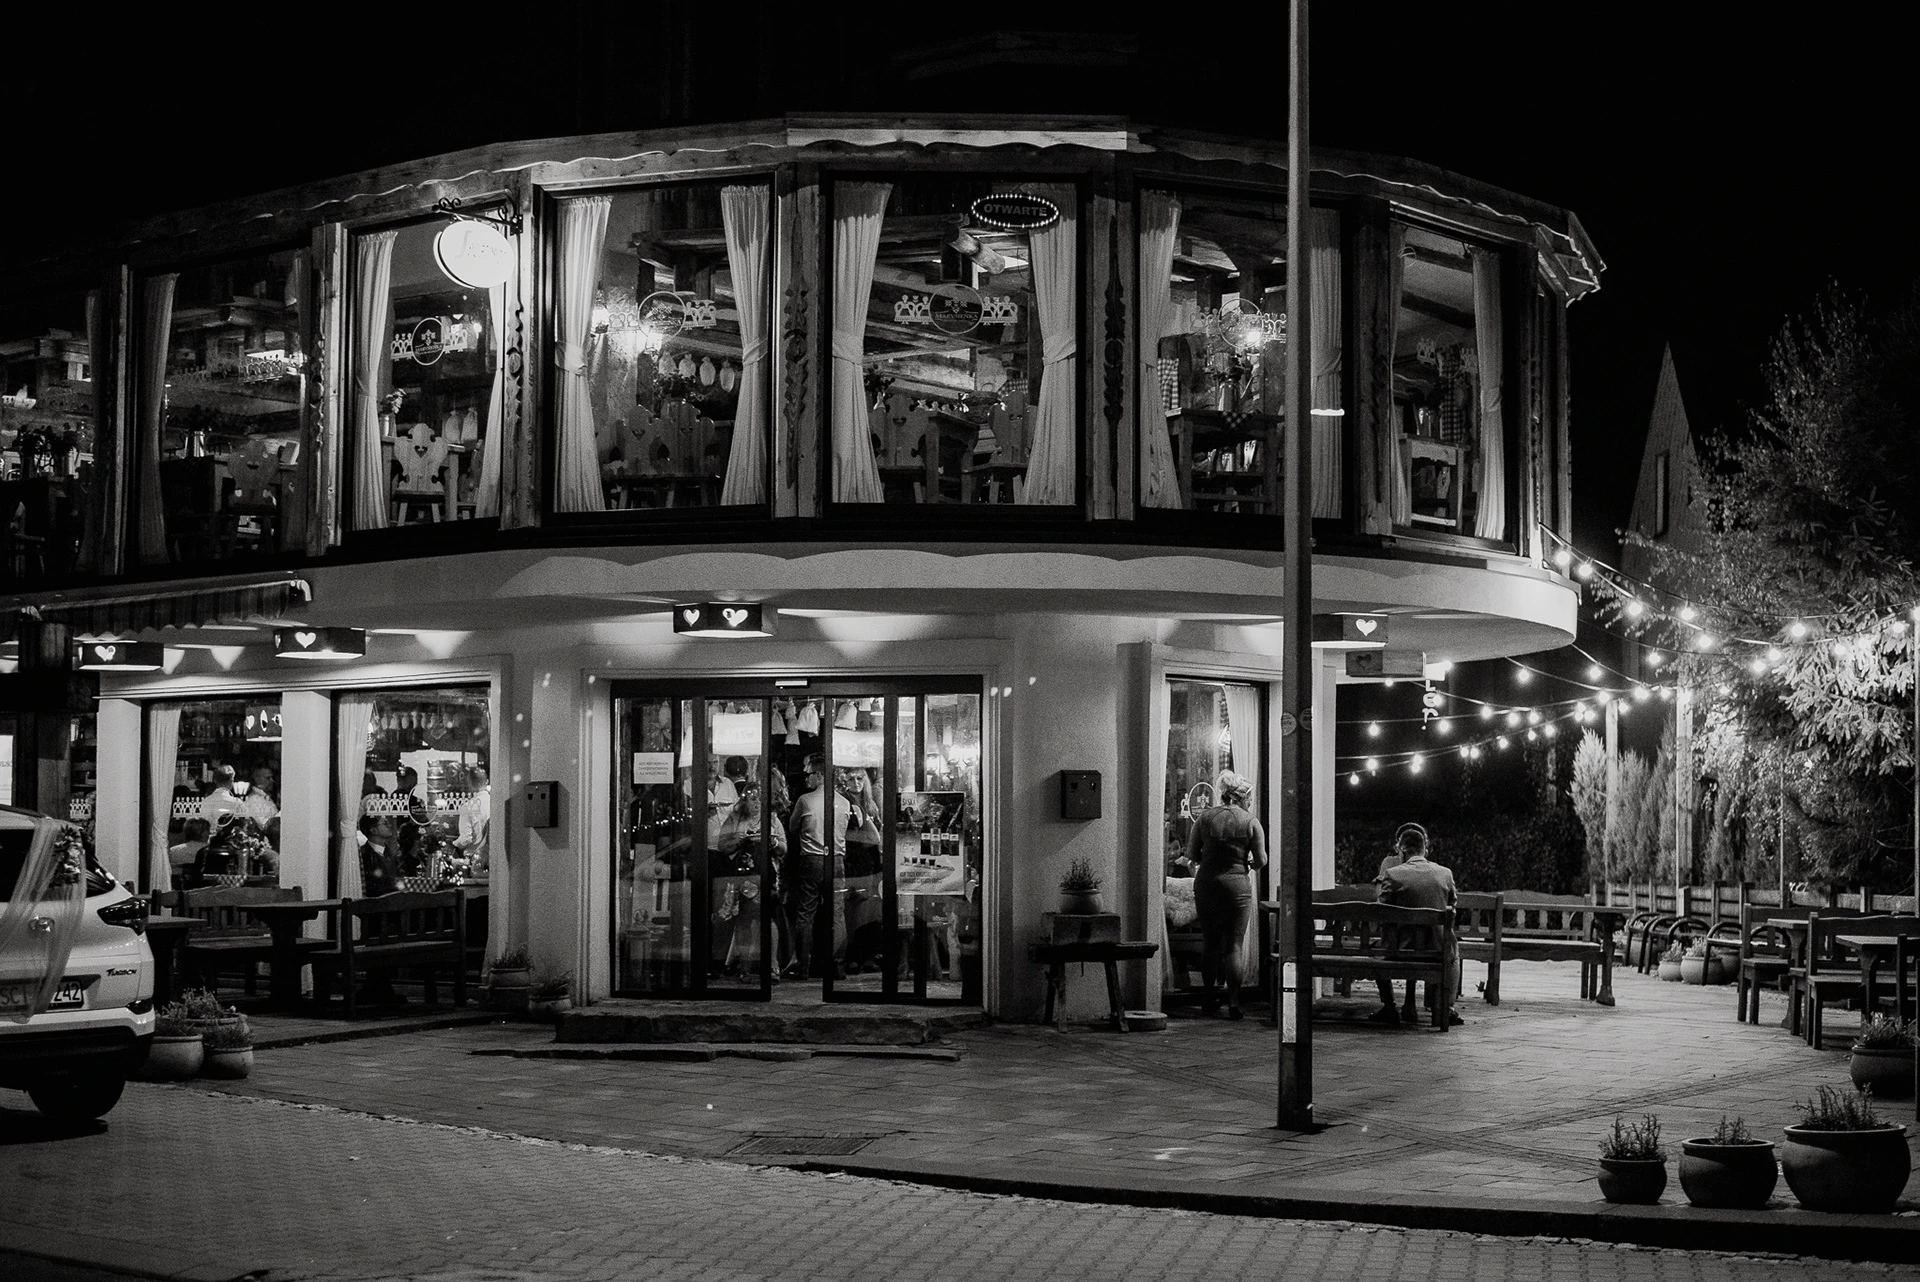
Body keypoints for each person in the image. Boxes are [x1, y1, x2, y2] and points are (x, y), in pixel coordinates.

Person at [1183, 770, 1267, 1019]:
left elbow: (1192, 855)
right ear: (1243, 798)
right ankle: (1234, 1003)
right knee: (1233, 946)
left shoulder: (1204, 819)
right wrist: (1247, 862)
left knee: (1210, 943)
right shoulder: (1250, 821)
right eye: (1250, 799)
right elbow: (1261, 860)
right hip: (1237, 885)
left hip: (1207, 883)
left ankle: (1209, 997)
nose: (1251, 803)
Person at [784, 752, 875, 980]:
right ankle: (837, 965)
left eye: (810, 774)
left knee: (806, 913)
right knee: (837, 914)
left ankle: (803, 966)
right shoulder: (843, 802)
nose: (807, 778)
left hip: (811, 858)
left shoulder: (805, 800)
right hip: (836, 860)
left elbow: (793, 827)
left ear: (820, 775)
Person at [1372, 823, 1462, 1027]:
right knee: (1453, 952)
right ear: (1425, 850)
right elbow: (1452, 907)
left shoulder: (1393, 874)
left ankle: (1389, 1006)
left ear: (1402, 850)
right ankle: (1445, 1008)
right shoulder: (1445, 873)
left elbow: (1380, 911)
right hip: (1436, 949)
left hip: (1399, 949)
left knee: (1374, 951)